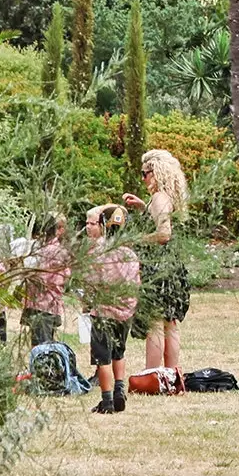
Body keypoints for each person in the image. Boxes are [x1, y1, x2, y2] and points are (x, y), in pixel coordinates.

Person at [122, 149, 190, 380]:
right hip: (173, 266)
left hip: (159, 268)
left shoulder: (160, 197)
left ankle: (151, 375)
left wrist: (136, 239)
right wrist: (143, 207)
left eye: (145, 173)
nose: (144, 178)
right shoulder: (170, 198)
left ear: (156, 172)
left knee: (156, 323)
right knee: (170, 323)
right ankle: (171, 375)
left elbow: (163, 234)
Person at [84, 204, 137, 415]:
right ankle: (119, 389)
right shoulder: (130, 254)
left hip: (103, 311)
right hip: (124, 313)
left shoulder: (99, 252)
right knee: (118, 352)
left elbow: (90, 281)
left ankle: (106, 401)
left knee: (102, 357)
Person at [16, 213, 69, 347]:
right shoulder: (52, 249)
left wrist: (25, 272)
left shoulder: (50, 251)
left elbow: (45, 279)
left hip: (43, 306)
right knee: (41, 344)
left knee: (42, 347)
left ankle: (42, 368)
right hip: (43, 304)